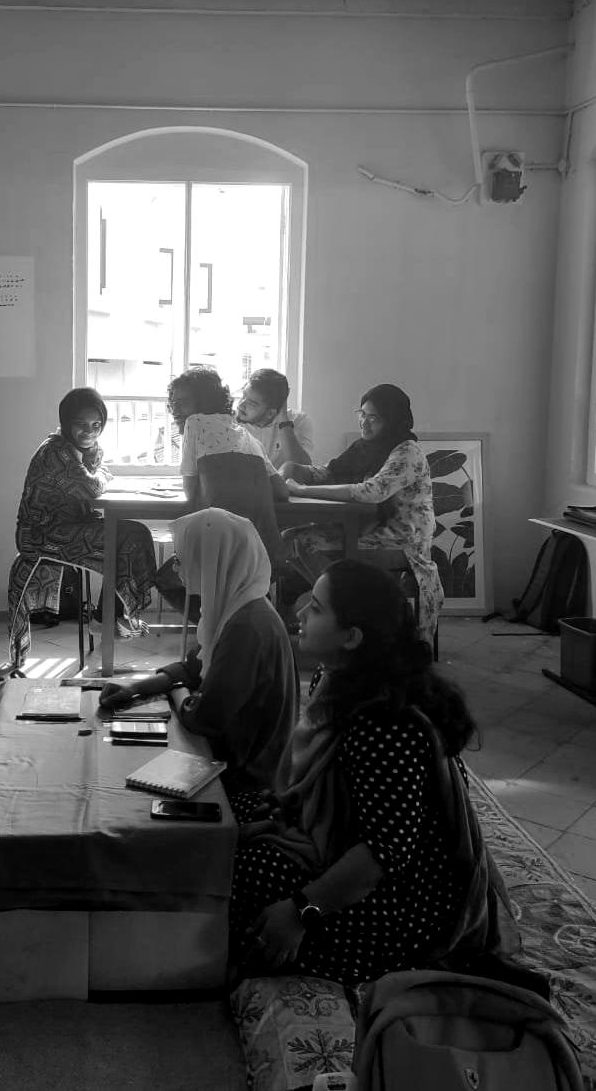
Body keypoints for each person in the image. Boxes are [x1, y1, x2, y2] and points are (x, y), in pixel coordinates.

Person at [229, 560, 512, 988]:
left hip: (404, 901)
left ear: (351, 637)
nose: (300, 612)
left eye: (316, 608)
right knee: (231, 815)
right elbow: (319, 786)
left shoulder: (384, 722)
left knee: (248, 871)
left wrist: (301, 912)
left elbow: (384, 852)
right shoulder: (336, 679)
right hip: (347, 844)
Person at [100, 508, 298, 797]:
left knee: (127, 776)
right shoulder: (237, 605)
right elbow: (194, 666)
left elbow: (205, 718)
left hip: (248, 781)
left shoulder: (247, 627)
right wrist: (136, 688)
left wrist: (177, 692)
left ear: (212, 560)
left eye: (181, 559)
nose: (177, 569)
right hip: (237, 754)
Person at [280, 383, 443, 644]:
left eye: (374, 418)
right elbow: (331, 472)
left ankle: (348, 610)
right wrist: (297, 470)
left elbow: (371, 492)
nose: (364, 423)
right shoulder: (364, 448)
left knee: (304, 541)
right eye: (362, 414)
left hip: (401, 540)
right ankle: (346, 607)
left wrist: (303, 489)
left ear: (392, 420)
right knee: (290, 538)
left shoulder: (406, 452)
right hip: (369, 528)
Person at [8, 387, 156, 666]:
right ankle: (107, 618)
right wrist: (102, 477)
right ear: (66, 422)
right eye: (81, 424)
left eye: (96, 425)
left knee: (132, 533)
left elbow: (98, 477)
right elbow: (93, 486)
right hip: (43, 534)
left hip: (69, 525)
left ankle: (107, 616)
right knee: (129, 536)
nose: (89, 432)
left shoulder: (83, 451)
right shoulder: (56, 452)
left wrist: (101, 476)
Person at [168, 367, 288, 505]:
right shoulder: (249, 438)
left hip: (220, 518)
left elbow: (190, 494)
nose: (174, 410)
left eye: (182, 403)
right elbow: (282, 492)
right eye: (172, 404)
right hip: (260, 520)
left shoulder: (194, 423)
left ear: (205, 402)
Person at [236, 368, 314, 471]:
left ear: (270, 413)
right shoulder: (230, 422)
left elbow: (303, 468)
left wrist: (283, 420)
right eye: (243, 396)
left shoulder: (299, 420)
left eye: (252, 403)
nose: (241, 404)